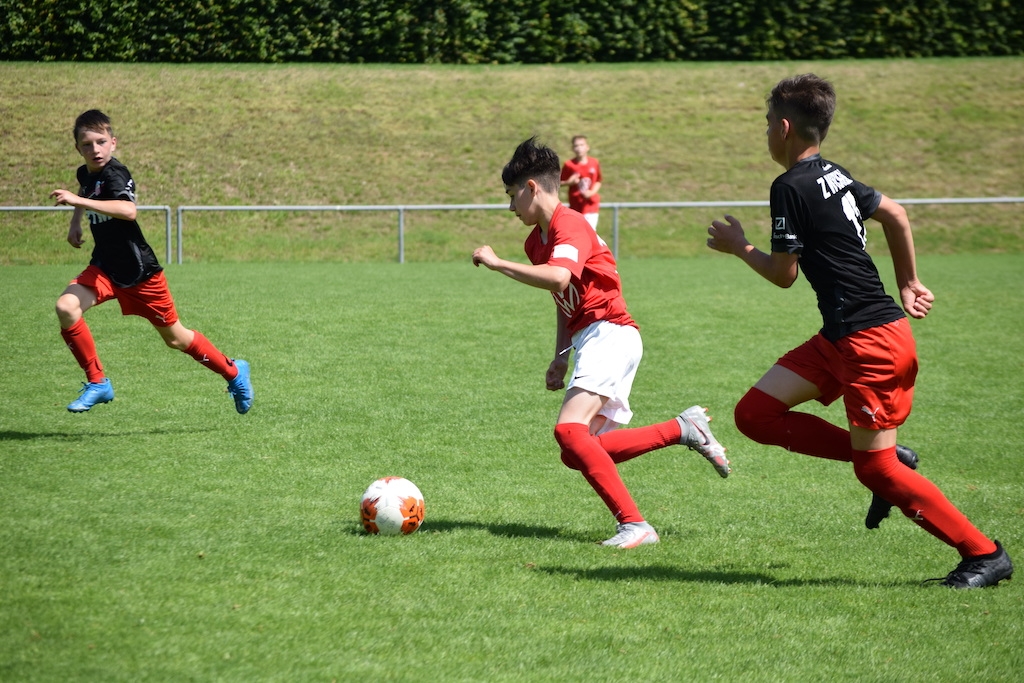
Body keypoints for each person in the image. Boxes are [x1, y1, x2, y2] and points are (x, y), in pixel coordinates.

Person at [706, 74, 1012, 588]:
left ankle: (984, 554)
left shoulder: (789, 186)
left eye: (767, 124)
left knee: (876, 471)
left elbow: (784, 275)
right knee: (754, 415)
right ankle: (890, 456)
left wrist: (740, 246)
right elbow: (895, 213)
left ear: (784, 128)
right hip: (842, 336)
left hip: (870, 343)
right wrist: (909, 281)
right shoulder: (834, 173)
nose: (766, 133)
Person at [473, 137, 729, 548]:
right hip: (593, 336)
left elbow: (559, 277)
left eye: (511, 195)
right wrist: (561, 355)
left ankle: (636, 525)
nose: (510, 207)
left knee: (569, 432)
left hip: (610, 332)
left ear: (531, 188)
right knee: (576, 448)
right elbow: (561, 294)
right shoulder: (535, 241)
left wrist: (497, 262)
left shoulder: (570, 224)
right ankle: (683, 428)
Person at [49, 109, 254, 414]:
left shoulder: (116, 173)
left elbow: (128, 210)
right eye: (87, 144)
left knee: (176, 339)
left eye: (101, 142)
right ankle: (98, 382)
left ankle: (234, 372)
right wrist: (75, 222)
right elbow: (84, 186)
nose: (95, 150)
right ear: (78, 148)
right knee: (66, 307)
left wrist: (77, 202)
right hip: (104, 267)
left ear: (113, 142)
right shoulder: (86, 173)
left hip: (140, 273)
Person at [559, 135, 602, 231]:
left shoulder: (594, 163)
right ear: (573, 148)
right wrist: (569, 182)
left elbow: (598, 181)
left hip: (591, 205)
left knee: (590, 232)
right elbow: (558, 182)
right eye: (576, 146)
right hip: (576, 206)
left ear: (587, 147)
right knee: (577, 233)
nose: (579, 148)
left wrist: (591, 192)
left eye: (582, 145)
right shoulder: (569, 165)